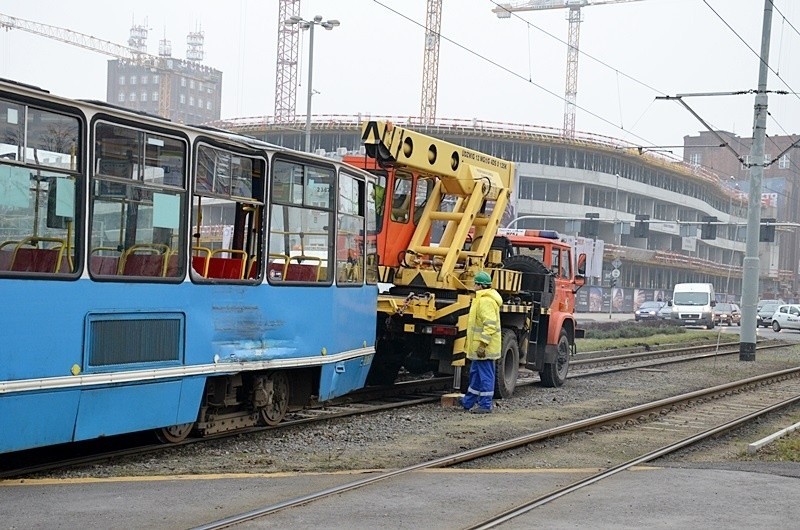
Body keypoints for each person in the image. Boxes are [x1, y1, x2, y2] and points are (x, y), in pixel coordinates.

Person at [460, 270, 503, 414]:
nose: (474, 286)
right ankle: (469, 401)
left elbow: (489, 325)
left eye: (475, 284)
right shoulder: (481, 299)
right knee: (475, 374)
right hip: (479, 347)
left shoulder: (485, 301)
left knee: (485, 375)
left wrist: (483, 344)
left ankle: (485, 405)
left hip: (484, 348)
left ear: (480, 285)